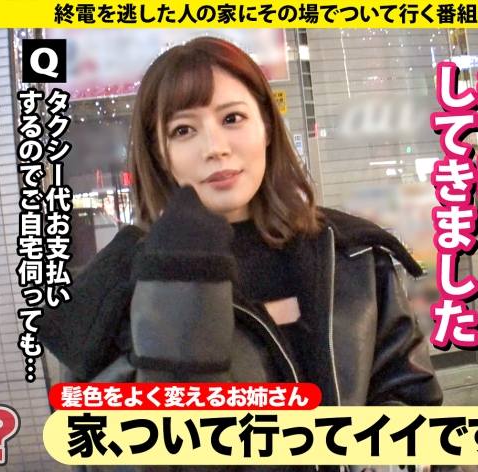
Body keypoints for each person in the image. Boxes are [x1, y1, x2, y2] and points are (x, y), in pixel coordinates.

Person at [38, 35, 441, 425]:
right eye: (183, 130)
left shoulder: (351, 254)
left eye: (232, 118)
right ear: (161, 154)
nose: (215, 147)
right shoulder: (118, 287)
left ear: (266, 125)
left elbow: (411, 398)